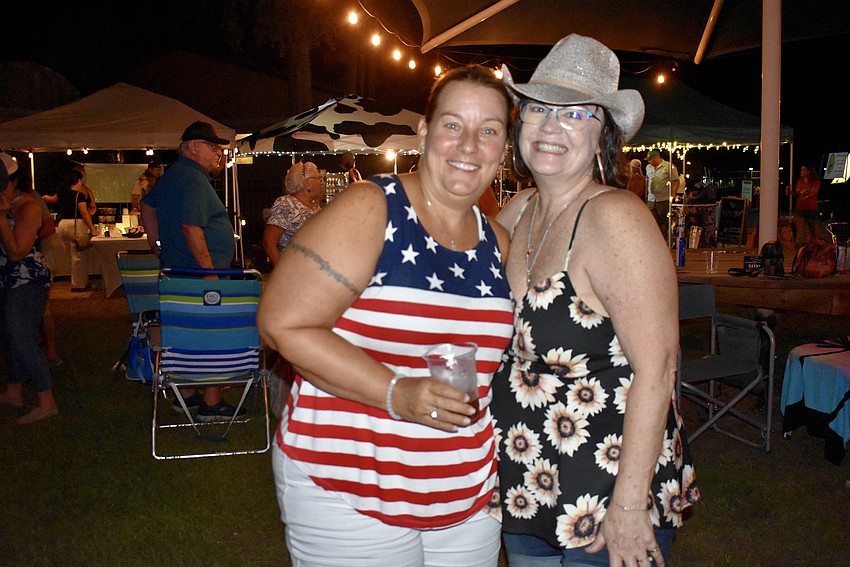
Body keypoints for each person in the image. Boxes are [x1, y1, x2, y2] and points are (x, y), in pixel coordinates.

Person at [256, 65, 515, 566]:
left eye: (489, 131)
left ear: (504, 148)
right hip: (351, 487)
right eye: (453, 125)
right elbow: (280, 322)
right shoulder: (373, 207)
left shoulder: (497, 241)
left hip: (466, 494)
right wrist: (398, 393)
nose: (468, 145)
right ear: (425, 131)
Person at [492, 34, 700, 567]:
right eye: (538, 109)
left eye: (575, 113)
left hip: (605, 488)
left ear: (603, 132)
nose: (550, 126)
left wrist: (629, 505)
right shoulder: (516, 213)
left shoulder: (616, 218)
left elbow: (659, 369)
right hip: (526, 477)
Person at [141, 121, 242, 422]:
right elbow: (191, 228)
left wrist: (155, 242)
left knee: (185, 333)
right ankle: (211, 402)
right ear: (193, 146)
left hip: (178, 275)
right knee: (215, 335)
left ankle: (185, 395)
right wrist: (210, 275)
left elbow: (147, 205)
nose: (219, 153)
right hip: (199, 278)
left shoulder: (173, 175)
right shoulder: (194, 179)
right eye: (214, 147)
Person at [0, 153, 58, 424]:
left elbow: (16, 251)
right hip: (7, 277)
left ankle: (46, 400)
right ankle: (13, 391)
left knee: (20, 334)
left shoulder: (28, 205)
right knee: (9, 334)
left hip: (27, 277)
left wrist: (1, 216)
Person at [262, 161, 322, 266]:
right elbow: (269, 243)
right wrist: (283, 272)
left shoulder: (316, 207)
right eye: (318, 178)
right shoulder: (286, 204)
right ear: (307, 183)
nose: (321, 182)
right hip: (294, 272)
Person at [55, 166, 95, 292]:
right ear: (78, 180)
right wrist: (92, 229)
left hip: (62, 225)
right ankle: (79, 284)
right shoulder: (79, 195)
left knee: (69, 255)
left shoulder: (62, 194)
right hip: (75, 225)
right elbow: (84, 213)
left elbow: (52, 200)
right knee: (79, 256)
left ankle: (75, 281)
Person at [645, 148, 679, 238]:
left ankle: (663, 239)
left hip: (663, 199)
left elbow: (676, 181)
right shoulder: (648, 168)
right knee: (651, 221)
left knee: (663, 222)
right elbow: (647, 181)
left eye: (651, 159)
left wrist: (673, 195)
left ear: (657, 158)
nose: (649, 162)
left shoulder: (668, 167)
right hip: (651, 198)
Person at [786, 163, 822, 245]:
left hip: (811, 208)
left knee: (815, 231)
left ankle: (814, 246)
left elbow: (813, 192)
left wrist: (805, 196)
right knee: (800, 230)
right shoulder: (800, 181)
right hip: (800, 208)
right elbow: (798, 193)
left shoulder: (815, 181)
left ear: (809, 171)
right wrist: (791, 193)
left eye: (803, 170)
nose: (801, 171)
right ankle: (800, 246)